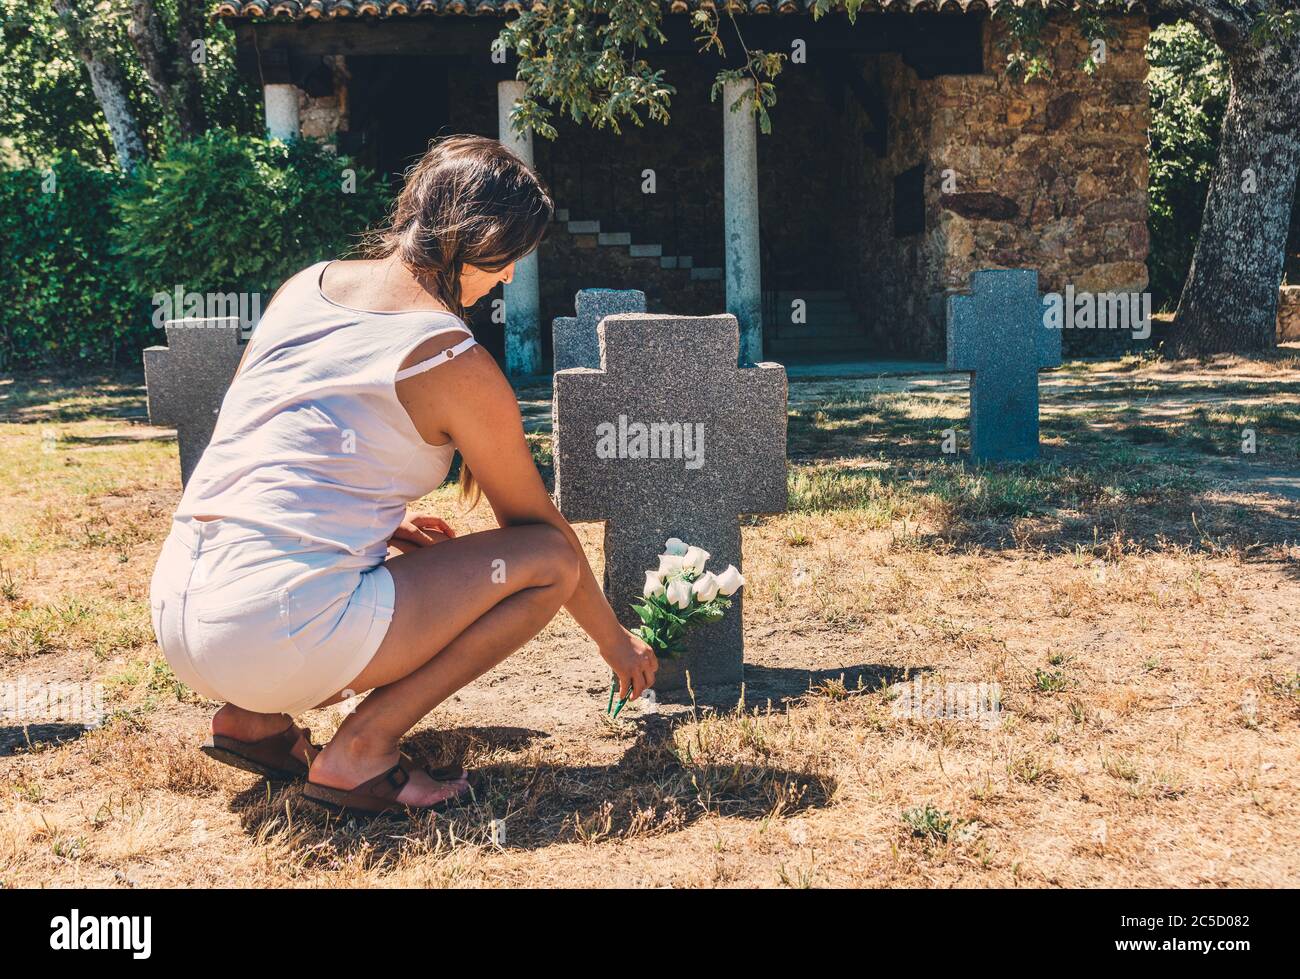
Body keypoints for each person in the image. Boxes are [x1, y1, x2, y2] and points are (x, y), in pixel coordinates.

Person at [149, 135, 658, 815]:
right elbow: (542, 534)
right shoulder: (448, 358)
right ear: (479, 240)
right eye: (508, 260)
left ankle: (252, 721)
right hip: (274, 631)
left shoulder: (307, 285)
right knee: (544, 562)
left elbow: (260, 448)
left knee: (295, 599)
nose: (507, 279)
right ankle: (363, 749)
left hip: (181, 613)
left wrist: (374, 528)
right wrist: (614, 639)